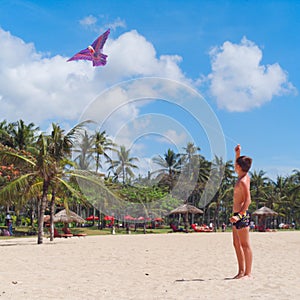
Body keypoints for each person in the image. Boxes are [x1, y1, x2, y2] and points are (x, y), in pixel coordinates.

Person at [229, 144, 253, 279]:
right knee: (236, 244)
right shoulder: (243, 174)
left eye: (236, 165)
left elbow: (248, 201)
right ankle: (241, 271)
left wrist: (239, 215)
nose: (234, 166)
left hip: (241, 215)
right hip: (236, 215)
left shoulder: (243, 181)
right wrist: (238, 154)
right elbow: (238, 164)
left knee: (245, 244)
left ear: (239, 167)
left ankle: (248, 273)